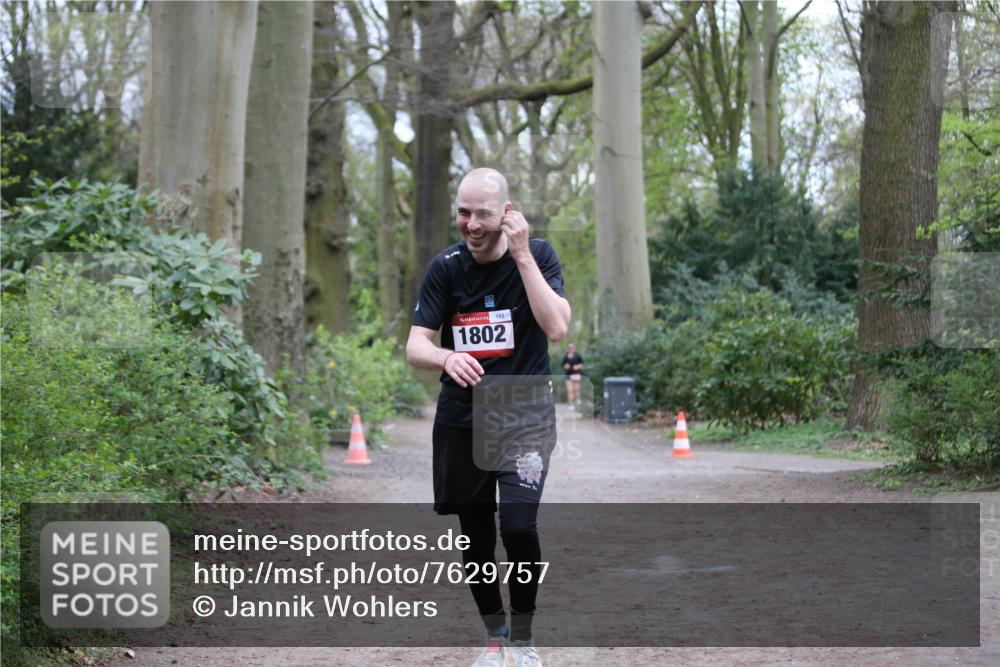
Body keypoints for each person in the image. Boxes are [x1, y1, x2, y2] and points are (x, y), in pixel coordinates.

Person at [406, 167, 571, 667]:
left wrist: (521, 257)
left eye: (482, 213)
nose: (471, 224)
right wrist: (445, 357)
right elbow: (416, 344)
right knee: (475, 537)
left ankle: (524, 640)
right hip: (463, 418)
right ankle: (496, 638)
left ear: (507, 211)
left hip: (524, 416)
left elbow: (558, 327)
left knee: (518, 527)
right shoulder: (446, 268)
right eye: (463, 212)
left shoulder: (538, 256)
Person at [561, 343, 584, 407]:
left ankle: (577, 400)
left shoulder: (578, 355)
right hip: (568, 374)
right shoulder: (566, 356)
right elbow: (563, 365)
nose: (571, 349)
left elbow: (582, 365)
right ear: (568, 348)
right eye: (569, 347)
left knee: (576, 389)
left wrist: (578, 366)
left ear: (574, 348)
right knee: (570, 390)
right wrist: (566, 366)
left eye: (572, 347)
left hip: (576, 374)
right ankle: (571, 404)